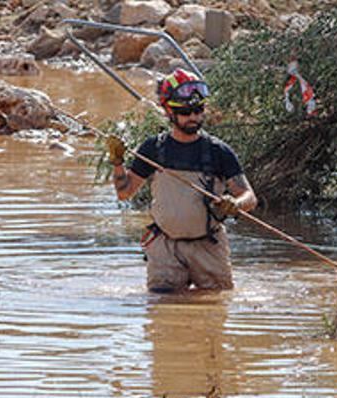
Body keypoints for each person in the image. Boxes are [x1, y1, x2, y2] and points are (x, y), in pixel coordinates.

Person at [106, 68, 258, 293]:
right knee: (162, 306)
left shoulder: (219, 151)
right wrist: (117, 161)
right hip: (164, 247)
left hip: (208, 246)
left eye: (198, 110)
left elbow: (250, 197)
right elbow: (124, 192)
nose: (193, 117)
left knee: (216, 303)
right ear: (169, 111)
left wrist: (235, 204)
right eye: (186, 112)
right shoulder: (153, 149)